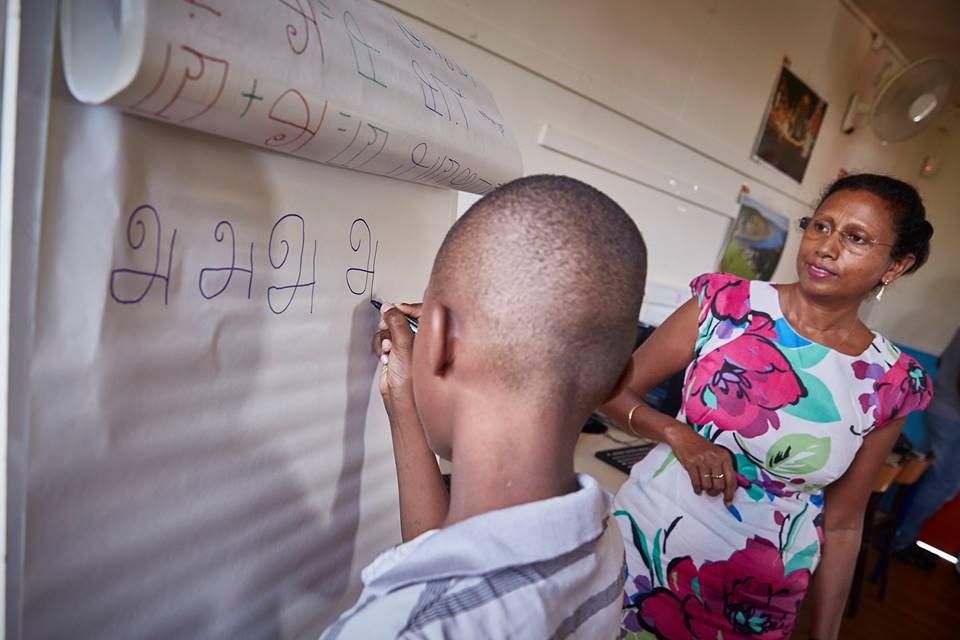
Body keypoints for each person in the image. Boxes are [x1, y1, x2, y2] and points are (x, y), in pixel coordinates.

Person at [601, 173, 934, 640]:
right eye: (820, 227)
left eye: (855, 238)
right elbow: (610, 390)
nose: (826, 246)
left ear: (896, 265)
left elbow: (842, 524)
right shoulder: (724, 306)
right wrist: (677, 433)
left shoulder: (890, 381)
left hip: (754, 602)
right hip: (637, 553)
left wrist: (826, 634)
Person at [321, 175, 648, 639]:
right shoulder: (597, 534)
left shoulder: (403, 628)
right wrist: (405, 403)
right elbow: (454, 555)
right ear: (617, 380)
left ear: (439, 345)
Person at [892, 326, 960, 569]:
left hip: (938, 406)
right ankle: (900, 540)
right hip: (952, 416)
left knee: (915, 472)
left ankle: (896, 532)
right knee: (945, 484)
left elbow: (943, 361)